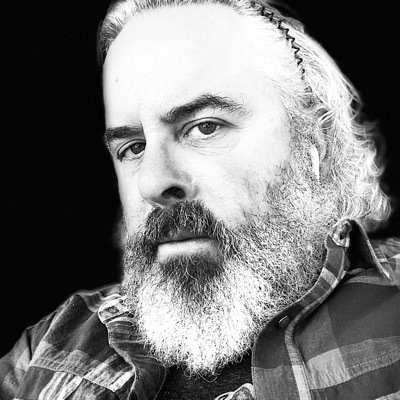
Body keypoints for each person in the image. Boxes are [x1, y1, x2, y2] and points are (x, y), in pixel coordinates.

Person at [1, 0, 399, 398]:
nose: (152, 182)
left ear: (315, 143)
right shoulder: (51, 344)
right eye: (133, 147)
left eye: (205, 127)